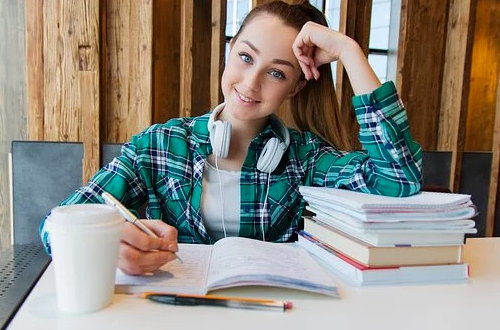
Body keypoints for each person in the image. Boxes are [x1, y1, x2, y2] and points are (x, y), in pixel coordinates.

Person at [39, 1, 422, 275]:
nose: (251, 83)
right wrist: (109, 245)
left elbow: (399, 178)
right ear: (229, 51)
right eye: (245, 57)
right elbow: (54, 227)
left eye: (277, 73)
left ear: (294, 88)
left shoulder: (306, 160)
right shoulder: (158, 147)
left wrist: (349, 52)